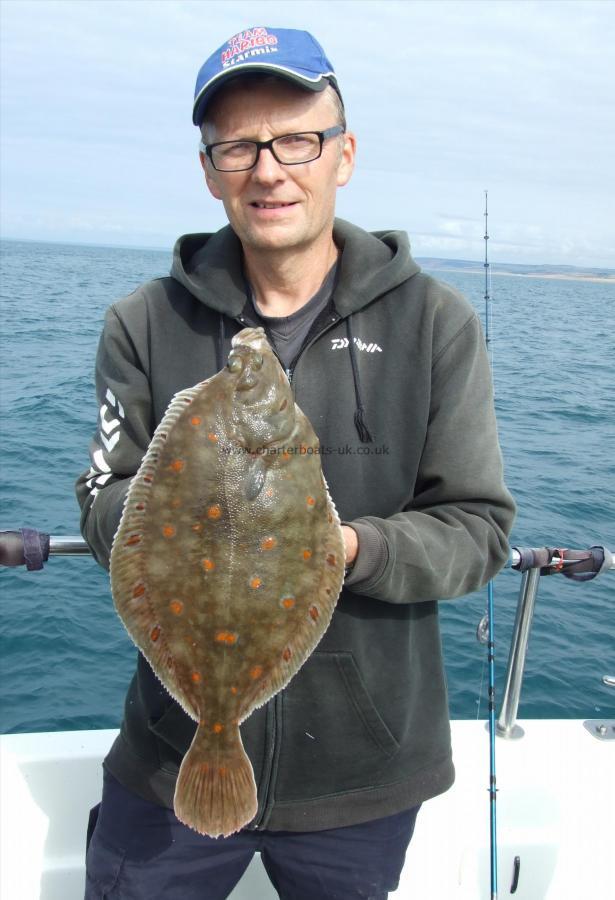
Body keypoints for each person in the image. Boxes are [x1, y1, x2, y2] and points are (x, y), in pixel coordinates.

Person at [76, 25, 516, 900]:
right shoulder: (142, 322)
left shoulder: (435, 323)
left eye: (297, 139)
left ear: (342, 155)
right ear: (209, 170)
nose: (268, 168)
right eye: (238, 146)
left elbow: (478, 530)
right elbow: (100, 501)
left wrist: (344, 550)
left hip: (364, 766)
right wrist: (182, 498)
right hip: (167, 752)